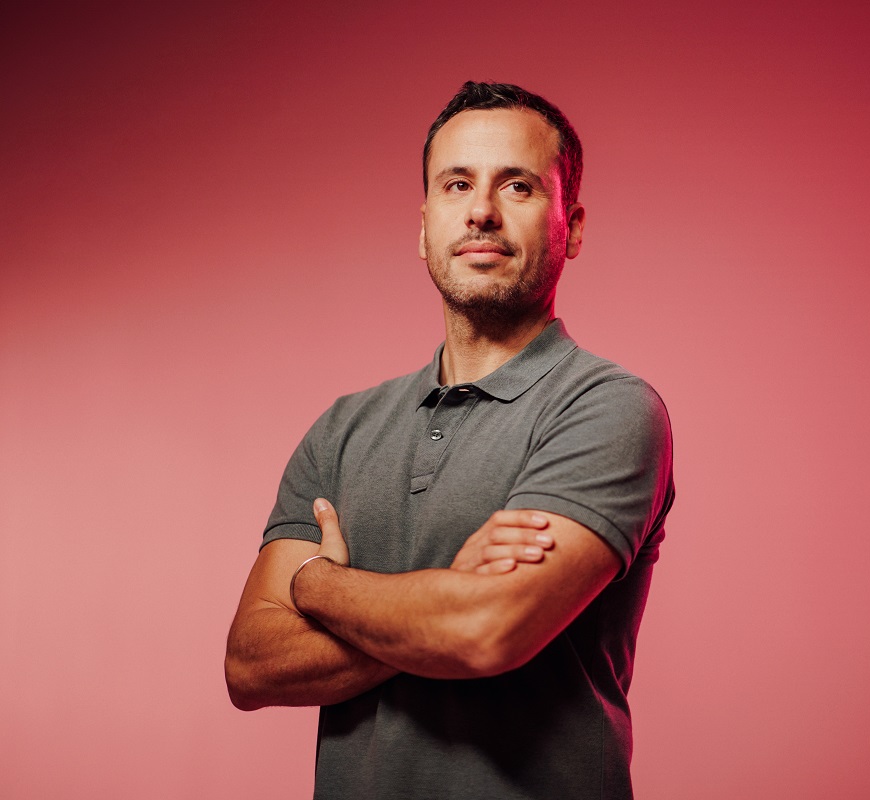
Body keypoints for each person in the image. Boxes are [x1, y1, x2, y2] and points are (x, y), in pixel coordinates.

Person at [225, 81, 675, 800]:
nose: (481, 211)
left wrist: (317, 585)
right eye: (457, 183)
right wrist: (438, 604)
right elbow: (250, 665)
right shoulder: (342, 429)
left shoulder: (608, 409)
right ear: (424, 224)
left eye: (518, 186)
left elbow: (483, 633)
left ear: (574, 225)